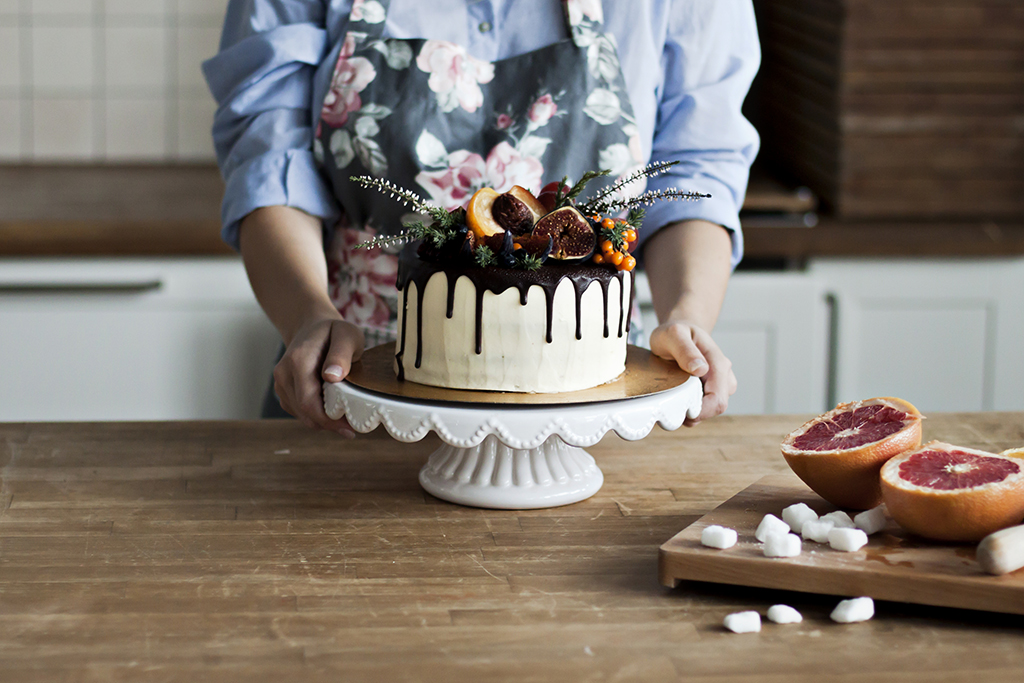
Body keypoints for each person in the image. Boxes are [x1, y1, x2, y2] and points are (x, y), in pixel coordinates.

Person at [204, 0, 760, 436]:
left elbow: (694, 170)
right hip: (350, 382)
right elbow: (271, 161)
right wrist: (307, 314)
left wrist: (686, 316)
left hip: (594, 398)